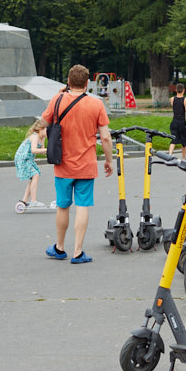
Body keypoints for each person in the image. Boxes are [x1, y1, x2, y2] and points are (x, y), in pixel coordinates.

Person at [41, 64, 114, 264]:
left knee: (63, 206)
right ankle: (78, 252)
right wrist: (108, 160)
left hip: (62, 163)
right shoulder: (96, 104)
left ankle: (59, 247)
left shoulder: (57, 99)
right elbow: (106, 138)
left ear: (68, 81)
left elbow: (43, 123)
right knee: (82, 205)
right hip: (86, 164)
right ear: (87, 83)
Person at [14, 118, 49, 208]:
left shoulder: (42, 138)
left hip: (28, 159)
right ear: (41, 129)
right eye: (47, 130)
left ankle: (25, 200)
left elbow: (41, 151)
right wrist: (48, 150)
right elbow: (34, 150)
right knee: (35, 175)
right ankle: (33, 200)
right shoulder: (35, 136)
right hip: (23, 158)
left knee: (34, 177)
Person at [168, 82, 186, 157]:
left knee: (173, 139)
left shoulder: (172, 99)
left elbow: (174, 106)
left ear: (176, 90)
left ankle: (169, 155)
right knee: (183, 141)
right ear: (184, 90)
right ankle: (183, 158)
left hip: (174, 121)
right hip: (182, 122)